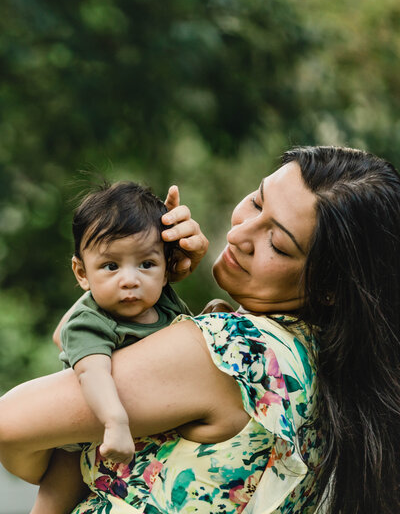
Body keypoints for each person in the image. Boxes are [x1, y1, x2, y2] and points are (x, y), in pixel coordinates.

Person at [0, 145, 399, 514]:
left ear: (329, 288)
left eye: (276, 243)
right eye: (257, 201)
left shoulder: (236, 352)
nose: (240, 233)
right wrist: (146, 281)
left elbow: (11, 423)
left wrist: (128, 273)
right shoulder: (313, 363)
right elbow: (72, 339)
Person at [58, 180, 192, 466]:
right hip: (91, 435)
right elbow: (92, 373)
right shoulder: (89, 321)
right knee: (56, 496)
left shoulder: (164, 303)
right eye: (111, 266)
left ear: (167, 270)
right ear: (82, 273)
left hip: (153, 434)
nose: (130, 280)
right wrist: (114, 422)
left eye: (146, 264)